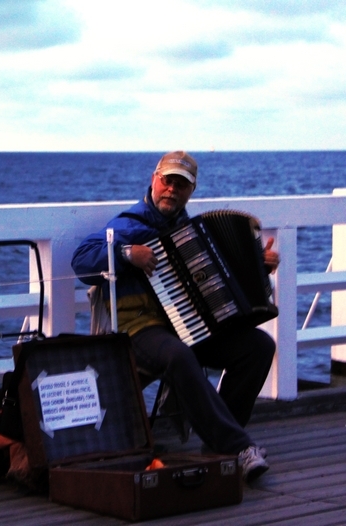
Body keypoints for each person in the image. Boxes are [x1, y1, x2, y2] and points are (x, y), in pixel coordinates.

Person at [71, 151, 278, 483]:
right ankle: (239, 448)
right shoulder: (129, 225)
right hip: (139, 329)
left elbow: (222, 283)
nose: (172, 190)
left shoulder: (195, 231)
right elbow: (81, 261)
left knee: (258, 347)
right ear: (154, 179)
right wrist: (126, 254)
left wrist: (258, 265)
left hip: (189, 327)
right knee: (178, 354)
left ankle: (220, 446)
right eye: (167, 181)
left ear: (191, 191)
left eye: (181, 185)